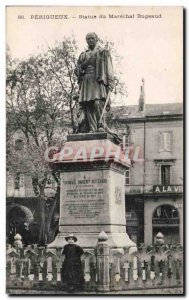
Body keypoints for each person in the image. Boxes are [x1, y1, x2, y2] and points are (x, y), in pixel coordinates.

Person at [75, 32, 115, 133]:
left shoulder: (103, 52)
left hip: (98, 81)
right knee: (88, 105)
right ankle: (92, 128)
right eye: (88, 39)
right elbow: (77, 71)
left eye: (92, 38)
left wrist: (111, 82)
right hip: (86, 82)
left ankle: (100, 124)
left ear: (96, 39)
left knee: (97, 103)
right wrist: (85, 64)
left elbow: (109, 69)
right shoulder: (83, 55)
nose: (90, 40)